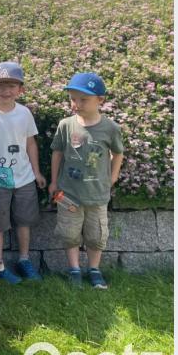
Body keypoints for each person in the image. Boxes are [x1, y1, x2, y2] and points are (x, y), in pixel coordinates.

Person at [0, 62, 46, 284]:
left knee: (24, 221)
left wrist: (37, 172)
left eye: (12, 85)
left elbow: (30, 143)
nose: (6, 90)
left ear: (20, 89)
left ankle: (24, 260)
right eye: (0, 86)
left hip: (25, 178)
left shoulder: (24, 113)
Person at [48, 73, 124, 289]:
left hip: (97, 194)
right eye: (73, 99)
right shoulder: (66, 125)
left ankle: (94, 269)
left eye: (83, 100)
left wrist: (113, 176)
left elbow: (118, 153)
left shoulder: (110, 128)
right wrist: (53, 182)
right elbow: (57, 153)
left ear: (100, 100)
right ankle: (74, 269)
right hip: (67, 193)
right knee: (68, 232)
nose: (77, 104)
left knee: (96, 235)